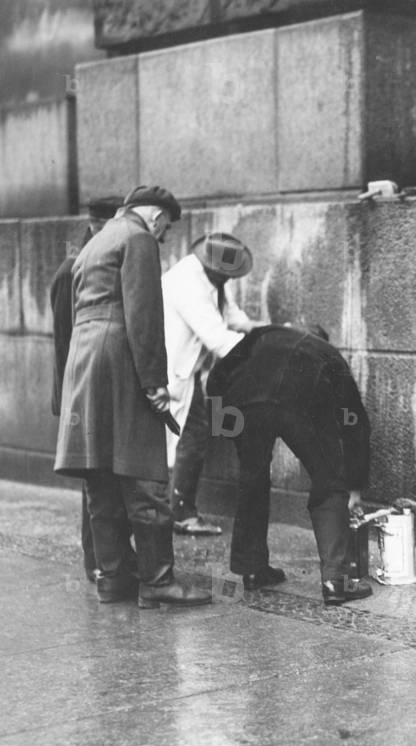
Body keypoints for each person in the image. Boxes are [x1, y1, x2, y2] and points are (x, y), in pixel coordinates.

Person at [55, 184, 211, 608]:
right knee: (143, 475)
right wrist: (155, 383)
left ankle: (113, 578)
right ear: (157, 217)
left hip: (85, 366)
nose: (161, 237)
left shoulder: (95, 242)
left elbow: (78, 315)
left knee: (101, 478)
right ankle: (158, 581)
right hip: (120, 364)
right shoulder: (138, 238)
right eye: (165, 229)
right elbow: (143, 315)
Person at [206, 323, 373, 605]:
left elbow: (216, 377)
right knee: (329, 480)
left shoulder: (263, 335)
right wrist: (354, 487)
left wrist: (223, 427)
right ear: (321, 340)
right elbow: (355, 424)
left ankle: (253, 570)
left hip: (247, 403)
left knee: (252, 480)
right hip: (304, 403)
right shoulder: (329, 355)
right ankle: (336, 582)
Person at [50, 195, 133, 583]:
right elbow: (72, 344)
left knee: (105, 477)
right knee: (95, 479)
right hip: (84, 391)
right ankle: (98, 561)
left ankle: (112, 557)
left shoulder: (98, 260)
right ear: (102, 225)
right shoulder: (77, 268)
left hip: (96, 388)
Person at [162, 232, 264, 537]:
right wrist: (266, 350)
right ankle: (179, 512)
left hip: (187, 373)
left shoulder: (214, 278)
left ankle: (174, 508)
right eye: (225, 276)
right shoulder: (188, 284)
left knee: (188, 437)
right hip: (173, 372)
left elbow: (234, 318)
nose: (228, 281)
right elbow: (218, 339)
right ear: (212, 267)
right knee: (188, 437)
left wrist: (267, 330)